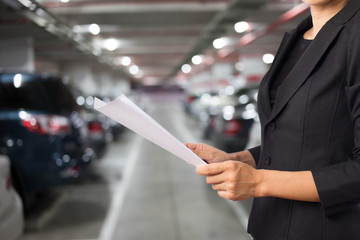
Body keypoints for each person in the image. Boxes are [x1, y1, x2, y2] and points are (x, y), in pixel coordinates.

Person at [185, 0, 360, 239]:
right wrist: (239, 159)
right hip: (273, 225)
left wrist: (259, 182)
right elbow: (301, 139)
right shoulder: (298, 36)